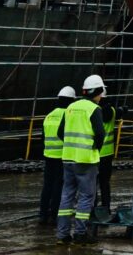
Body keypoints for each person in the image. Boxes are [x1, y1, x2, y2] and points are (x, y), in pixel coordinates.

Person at [57, 74, 107, 244]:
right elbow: (100, 134)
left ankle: (62, 235)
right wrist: (94, 148)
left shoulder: (71, 107)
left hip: (68, 159)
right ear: (97, 91)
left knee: (67, 195)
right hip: (86, 160)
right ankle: (80, 233)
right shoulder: (94, 109)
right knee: (86, 197)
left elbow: (60, 132)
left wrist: (71, 146)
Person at [40, 87, 77, 226]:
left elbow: (43, 137)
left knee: (47, 186)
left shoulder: (49, 115)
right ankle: (54, 215)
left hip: (49, 155)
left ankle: (42, 215)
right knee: (59, 186)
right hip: (62, 156)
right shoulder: (68, 115)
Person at [96, 94, 119, 217]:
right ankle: (106, 208)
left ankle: (92, 209)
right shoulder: (112, 111)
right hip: (107, 154)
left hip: (94, 153)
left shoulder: (94, 112)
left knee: (92, 185)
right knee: (105, 184)